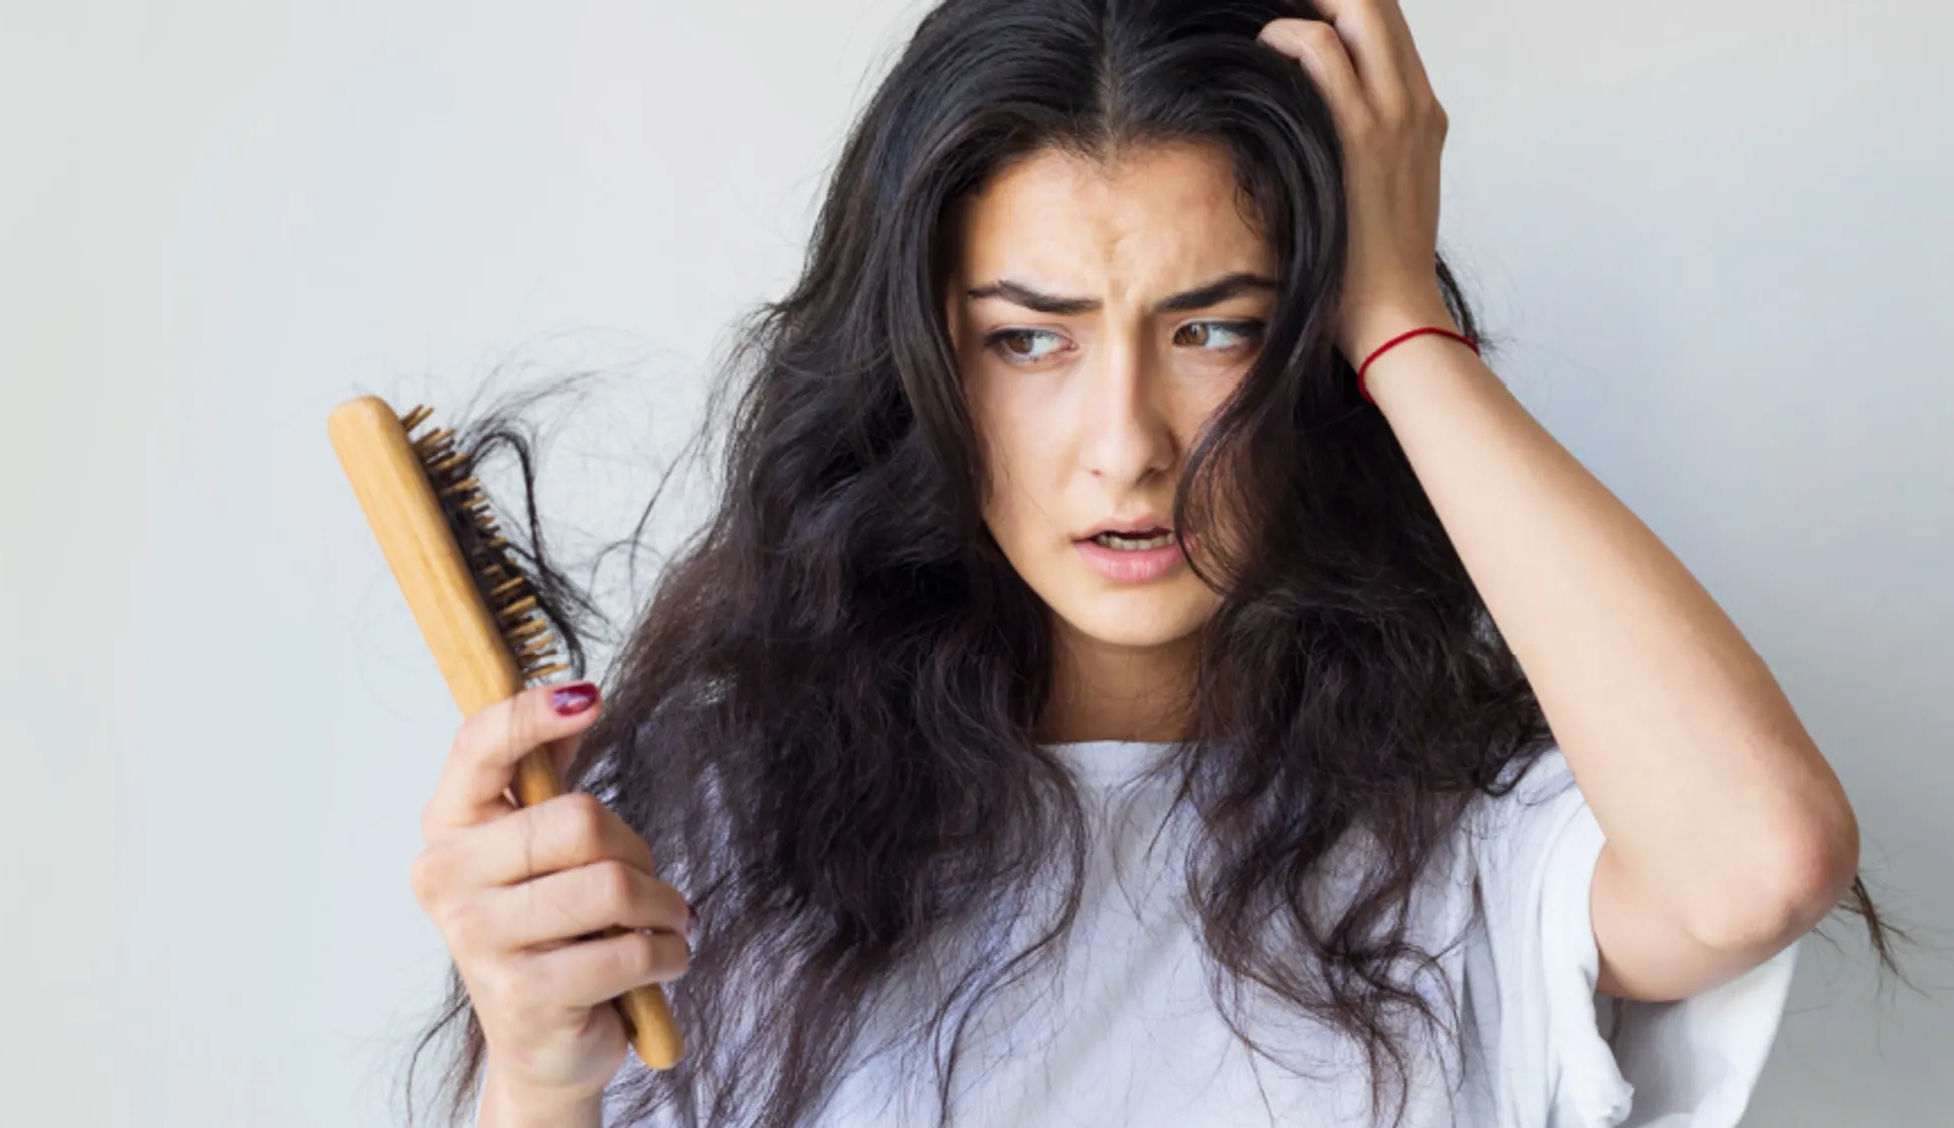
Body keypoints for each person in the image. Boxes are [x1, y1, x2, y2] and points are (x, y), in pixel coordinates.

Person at [395, 1, 1901, 1125]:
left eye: (1213, 328)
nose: (1126, 444)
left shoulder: (1478, 841)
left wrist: (1396, 315)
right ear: (922, 365)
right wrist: (533, 1075)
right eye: (1028, 337)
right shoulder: (706, 835)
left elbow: (1762, 858)